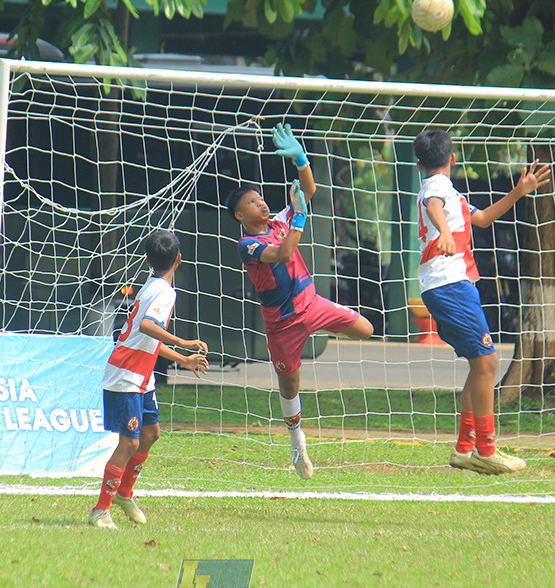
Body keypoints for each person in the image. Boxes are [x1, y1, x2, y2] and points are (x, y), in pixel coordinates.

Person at [226, 123, 374, 480]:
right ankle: (297, 443)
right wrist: (301, 217)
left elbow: (308, 189)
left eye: (260, 197)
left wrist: (301, 160)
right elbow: (284, 252)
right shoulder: (247, 245)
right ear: (240, 216)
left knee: (366, 330)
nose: (260, 202)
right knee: (289, 385)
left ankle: (324, 326)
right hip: (283, 324)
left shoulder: (280, 221)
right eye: (251, 201)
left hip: (312, 303)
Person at [413, 129, 551, 474]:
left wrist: (518, 192)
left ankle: (464, 449)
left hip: (448, 284)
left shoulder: (452, 195)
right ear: (453, 159)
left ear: (419, 164)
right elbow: (433, 204)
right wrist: (444, 232)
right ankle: (486, 450)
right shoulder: (437, 188)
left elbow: (484, 218)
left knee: (480, 366)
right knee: (488, 362)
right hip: (450, 284)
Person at [89, 230, 209, 529]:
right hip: (126, 374)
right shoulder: (165, 292)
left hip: (142, 375)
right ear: (179, 260)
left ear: (147, 261)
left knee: (151, 434)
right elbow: (146, 326)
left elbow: (147, 336)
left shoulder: (151, 286)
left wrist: (181, 360)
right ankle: (100, 510)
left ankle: (124, 494)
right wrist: (182, 343)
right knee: (129, 442)